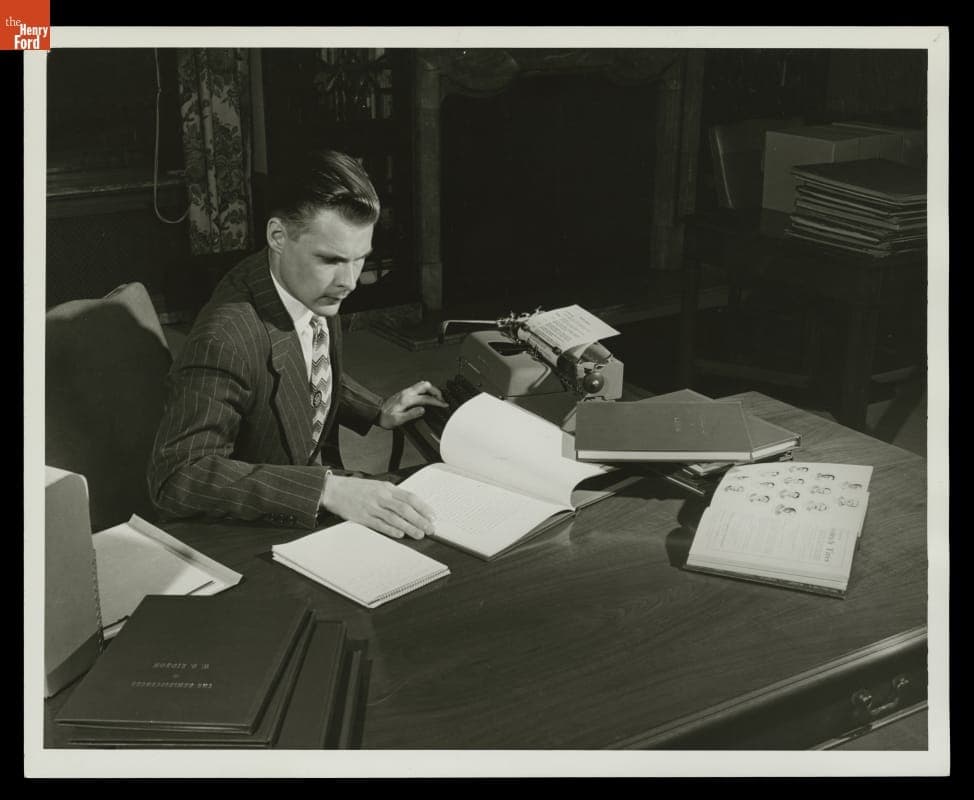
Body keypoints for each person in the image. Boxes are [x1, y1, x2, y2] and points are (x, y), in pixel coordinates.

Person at [148, 149, 448, 540]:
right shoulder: (225, 339)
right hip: (254, 525)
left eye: (360, 259)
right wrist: (326, 488)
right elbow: (176, 477)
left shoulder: (304, 279)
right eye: (332, 260)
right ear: (278, 236)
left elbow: (306, 363)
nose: (350, 281)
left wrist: (377, 410)